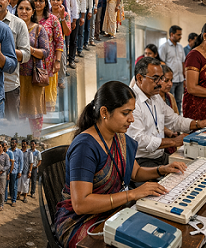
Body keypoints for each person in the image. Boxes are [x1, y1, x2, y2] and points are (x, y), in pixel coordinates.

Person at [53, 81, 187, 248]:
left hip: (114, 211)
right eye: (125, 113)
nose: (131, 119)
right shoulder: (85, 147)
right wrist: (132, 194)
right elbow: (81, 204)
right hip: (80, 222)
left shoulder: (119, 138)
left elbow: (135, 173)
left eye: (132, 112)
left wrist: (162, 170)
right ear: (104, 112)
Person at [127, 57, 206, 168]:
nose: (160, 83)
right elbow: (138, 140)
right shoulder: (131, 101)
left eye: (161, 78)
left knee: (190, 169)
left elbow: (174, 120)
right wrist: (173, 142)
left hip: (159, 156)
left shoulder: (155, 97)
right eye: (155, 79)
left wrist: (198, 123)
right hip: (140, 161)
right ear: (140, 79)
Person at [0, 0, 30, 120]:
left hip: (9, 85)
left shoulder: (18, 24)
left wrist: (6, 50)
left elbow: (26, 55)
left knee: (11, 126)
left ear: (8, 0)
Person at [16, 0, 50, 136]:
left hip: (33, 79)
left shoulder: (38, 30)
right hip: (15, 78)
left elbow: (46, 52)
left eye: (27, 9)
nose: (24, 11)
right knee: (17, 115)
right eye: (21, 8)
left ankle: (36, 142)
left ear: (33, 11)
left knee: (34, 116)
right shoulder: (12, 28)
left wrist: (29, 50)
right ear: (16, 10)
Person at [35, 0, 65, 107]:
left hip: (49, 63)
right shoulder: (27, 18)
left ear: (45, 3)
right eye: (35, 0)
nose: (37, 3)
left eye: (41, 1)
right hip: (30, 63)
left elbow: (59, 41)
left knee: (47, 98)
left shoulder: (52, 19)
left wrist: (57, 61)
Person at [158, 25, 185, 113]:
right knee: (169, 100)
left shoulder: (180, 47)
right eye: (178, 35)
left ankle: (177, 118)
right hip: (168, 80)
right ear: (172, 34)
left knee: (178, 101)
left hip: (179, 79)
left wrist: (184, 78)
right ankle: (169, 118)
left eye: (180, 35)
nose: (180, 37)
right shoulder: (164, 47)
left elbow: (183, 62)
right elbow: (161, 62)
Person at [0, 141, 10, 211]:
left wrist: (0, 172)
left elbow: (7, 166)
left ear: (3, 147)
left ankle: (1, 204)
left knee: (1, 190)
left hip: (2, 175)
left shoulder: (6, 155)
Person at [8, 138, 23, 207]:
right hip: (8, 171)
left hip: (15, 171)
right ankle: (10, 196)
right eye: (11, 142)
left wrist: (20, 172)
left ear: (16, 143)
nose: (12, 143)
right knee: (10, 185)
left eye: (13, 142)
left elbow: (21, 163)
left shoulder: (19, 152)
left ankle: (14, 200)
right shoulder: (8, 151)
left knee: (14, 186)